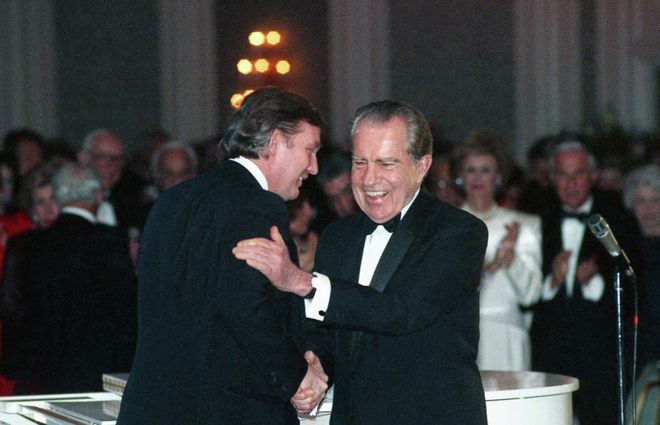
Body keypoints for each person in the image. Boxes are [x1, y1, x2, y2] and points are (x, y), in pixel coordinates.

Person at [234, 100, 489, 424]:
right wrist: (315, 367)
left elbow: (401, 312)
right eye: (360, 162)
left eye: (386, 163)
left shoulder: (459, 232)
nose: (370, 179)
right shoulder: (337, 236)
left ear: (421, 166)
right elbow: (332, 331)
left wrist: (300, 281)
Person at [117, 87, 328, 425]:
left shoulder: (173, 200)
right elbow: (245, 307)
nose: (314, 167)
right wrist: (298, 376)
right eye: (310, 150)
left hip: (153, 409)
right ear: (275, 143)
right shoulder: (257, 206)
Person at [530, 140, 641, 425]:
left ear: (593, 176)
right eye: (562, 174)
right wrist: (553, 281)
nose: (571, 183)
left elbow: (632, 284)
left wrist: (592, 282)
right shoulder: (539, 220)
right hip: (551, 354)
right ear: (551, 178)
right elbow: (529, 293)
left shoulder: (617, 220)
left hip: (599, 356)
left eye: (578, 173)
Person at [16, 163, 137, 393]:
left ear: (59, 196)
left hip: (44, 372)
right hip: (97, 371)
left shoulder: (33, 243)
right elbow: (125, 311)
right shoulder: (109, 241)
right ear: (98, 195)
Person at [454, 131, 542, 371]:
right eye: (471, 170)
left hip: (508, 336)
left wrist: (511, 260)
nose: (478, 178)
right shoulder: (445, 226)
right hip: (459, 337)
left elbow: (531, 295)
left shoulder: (524, 225)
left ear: (499, 176)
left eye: (485, 170)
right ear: (460, 176)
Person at [623, 164, 660, 366]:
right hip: (636, 345)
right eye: (641, 201)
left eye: (655, 200)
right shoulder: (624, 247)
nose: (648, 208)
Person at [77, 129, 148, 231]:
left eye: (117, 159)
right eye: (103, 157)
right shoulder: (69, 203)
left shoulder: (132, 203)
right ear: (83, 159)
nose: (112, 165)